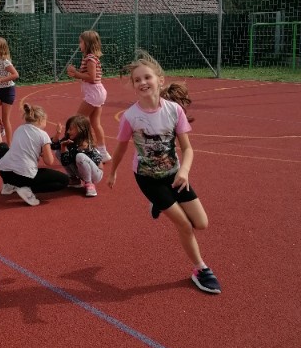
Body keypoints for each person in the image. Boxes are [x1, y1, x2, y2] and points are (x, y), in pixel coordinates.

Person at [106, 51, 221, 294]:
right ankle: (200, 269)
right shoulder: (130, 117)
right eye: (137, 80)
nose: (142, 83)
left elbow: (187, 149)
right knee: (185, 226)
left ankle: (158, 205)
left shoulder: (174, 111)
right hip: (148, 179)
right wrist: (113, 172)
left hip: (175, 173)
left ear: (160, 79)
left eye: (146, 77)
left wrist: (185, 171)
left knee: (201, 223)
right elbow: (120, 148)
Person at [0, 102, 69, 206]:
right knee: (64, 181)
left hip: (5, 172)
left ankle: (8, 185)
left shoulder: (19, 129)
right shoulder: (43, 135)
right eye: (45, 121)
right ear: (40, 120)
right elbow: (49, 161)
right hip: (24, 176)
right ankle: (26, 188)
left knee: (3, 146)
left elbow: (22, 149)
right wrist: (43, 153)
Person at [66, 30, 111, 163]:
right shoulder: (91, 58)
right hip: (97, 92)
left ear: (87, 43)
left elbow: (91, 77)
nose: (79, 44)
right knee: (95, 123)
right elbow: (88, 76)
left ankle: (83, 148)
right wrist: (75, 73)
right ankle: (102, 152)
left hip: (94, 93)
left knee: (77, 121)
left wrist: (76, 73)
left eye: (81, 42)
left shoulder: (90, 58)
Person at [51, 114, 103, 197]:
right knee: (58, 151)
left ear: (80, 130)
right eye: (68, 129)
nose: (68, 131)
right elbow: (53, 146)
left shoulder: (84, 145)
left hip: (95, 174)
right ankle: (74, 179)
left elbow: (66, 160)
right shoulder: (70, 140)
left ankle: (89, 183)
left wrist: (64, 147)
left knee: (80, 156)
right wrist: (58, 133)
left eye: (71, 129)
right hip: (81, 170)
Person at [0, 36, 19, 145]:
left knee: (6, 119)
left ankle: (9, 145)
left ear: (1, 49)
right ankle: (0, 124)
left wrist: (0, 80)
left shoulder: (5, 61)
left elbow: (15, 74)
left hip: (8, 91)